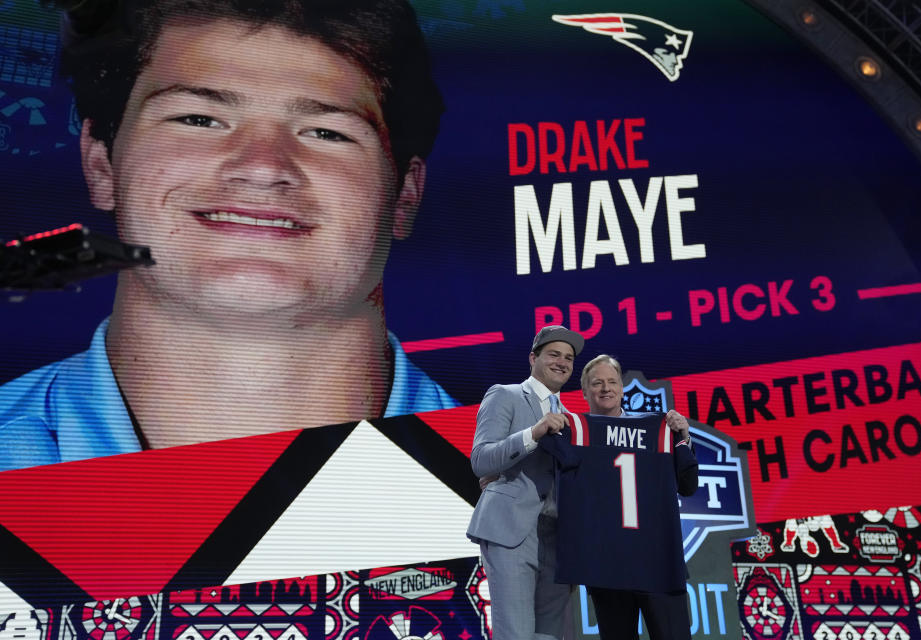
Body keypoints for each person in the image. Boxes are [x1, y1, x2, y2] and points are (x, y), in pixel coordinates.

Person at [0, 0, 456, 471]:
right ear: (100, 164)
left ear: (405, 194)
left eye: (325, 132)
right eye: (198, 120)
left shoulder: (530, 478)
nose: (261, 167)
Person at [466, 325, 585, 640]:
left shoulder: (574, 420)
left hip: (558, 539)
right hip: (512, 531)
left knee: (550, 636)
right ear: (533, 357)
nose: (562, 362)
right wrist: (533, 434)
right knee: (516, 634)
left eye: (569, 358)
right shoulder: (505, 395)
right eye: (554, 354)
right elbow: (481, 459)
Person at [579, 354, 697, 640]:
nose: (605, 388)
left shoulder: (658, 430)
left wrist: (682, 438)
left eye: (612, 382)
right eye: (597, 383)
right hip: (607, 566)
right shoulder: (576, 435)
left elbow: (688, 485)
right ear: (584, 392)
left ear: (621, 388)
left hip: (658, 561)